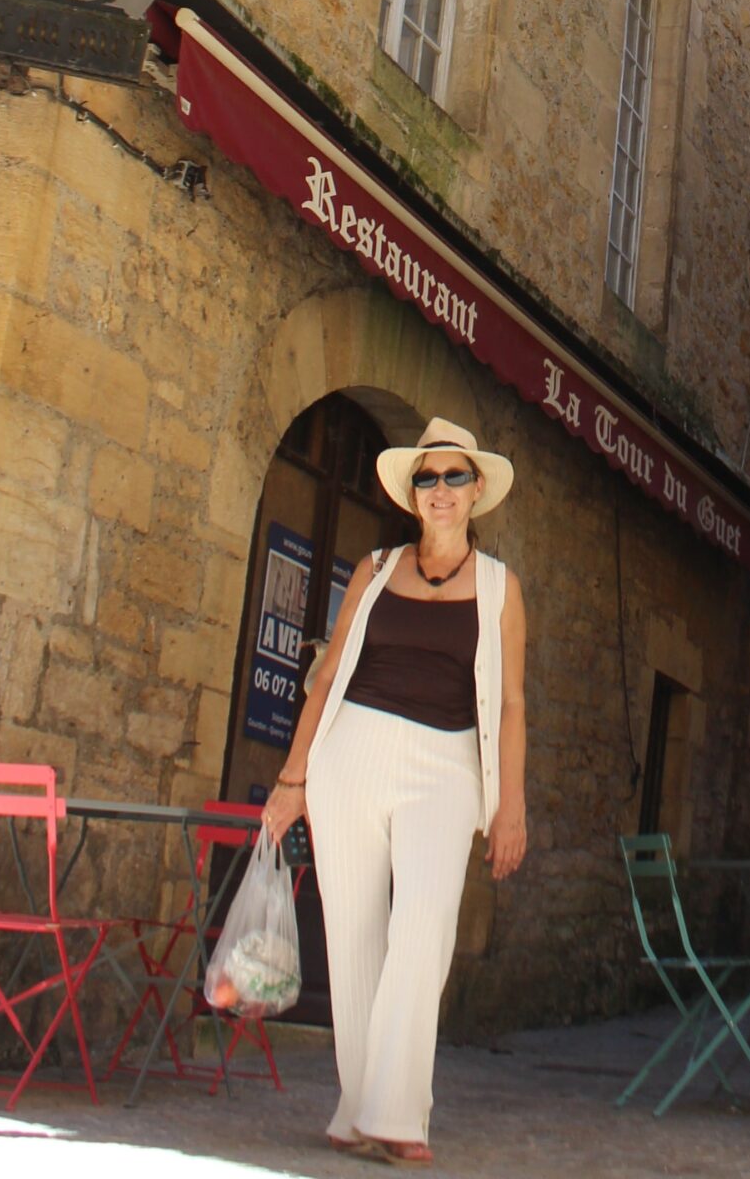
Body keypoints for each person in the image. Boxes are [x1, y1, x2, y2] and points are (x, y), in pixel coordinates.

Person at [262, 416, 527, 1166]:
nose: (440, 490)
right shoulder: (375, 568)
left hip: (446, 767)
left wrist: (512, 803)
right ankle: (360, 1110)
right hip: (352, 755)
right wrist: (293, 778)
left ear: (477, 491)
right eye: (427, 477)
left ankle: (399, 1111)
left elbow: (510, 705)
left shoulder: (503, 589)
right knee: (353, 934)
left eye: (454, 476)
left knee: (425, 927)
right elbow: (328, 676)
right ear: (412, 492)